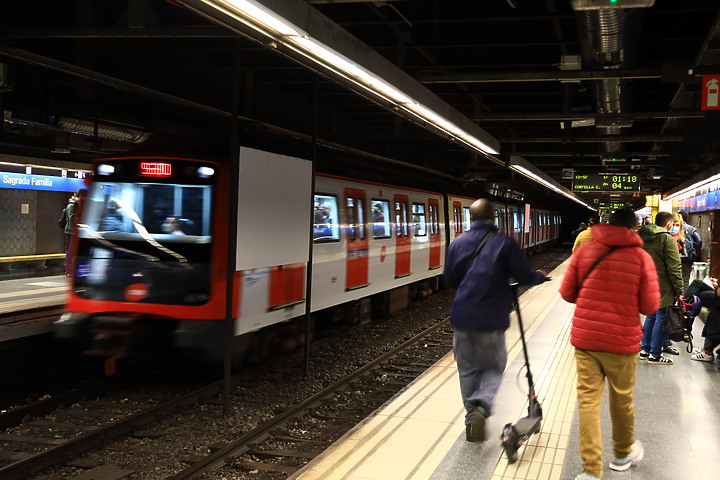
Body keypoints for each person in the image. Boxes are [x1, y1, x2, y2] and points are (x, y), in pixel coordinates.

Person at [560, 208, 659, 480]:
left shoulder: (585, 250)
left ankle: (591, 470)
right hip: (621, 342)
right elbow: (650, 305)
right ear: (634, 228)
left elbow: (567, 293)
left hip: (587, 340)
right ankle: (621, 453)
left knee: (588, 402)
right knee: (622, 399)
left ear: (606, 225)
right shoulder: (641, 258)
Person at [443, 198, 547, 442]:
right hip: (492, 320)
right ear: (495, 219)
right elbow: (523, 275)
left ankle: (472, 418)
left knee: (467, 370)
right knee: (493, 366)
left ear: (470, 219)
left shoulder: (457, 243)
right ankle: (482, 405)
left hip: (463, 318)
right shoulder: (504, 242)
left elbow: (450, 277)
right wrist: (539, 277)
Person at [638, 211, 684, 365]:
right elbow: (674, 267)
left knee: (651, 316)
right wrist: (679, 290)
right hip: (662, 284)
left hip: (646, 281)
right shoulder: (666, 239)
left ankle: (645, 349)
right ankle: (655, 355)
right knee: (661, 318)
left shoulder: (643, 236)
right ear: (669, 224)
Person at [65, 189, 88, 277]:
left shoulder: (80, 204)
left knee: (75, 252)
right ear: (81, 196)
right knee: (70, 253)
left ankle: (74, 270)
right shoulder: (72, 205)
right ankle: (69, 271)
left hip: (77, 232)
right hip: (71, 232)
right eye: (85, 197)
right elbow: (72, 219)